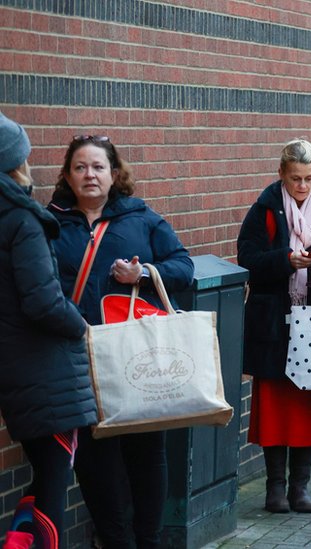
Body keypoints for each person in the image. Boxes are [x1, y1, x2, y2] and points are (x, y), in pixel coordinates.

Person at [48, 135, 194, 549]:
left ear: (114, 174)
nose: (89, 174)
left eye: (97, 167)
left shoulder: (141, 219)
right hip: (79, 358)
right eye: (80, 167)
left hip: (136, 358)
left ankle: (148, 540)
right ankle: (114, 541)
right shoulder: (51, 223)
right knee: (95, 459)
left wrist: (144, 273)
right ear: (67, 175)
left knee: (146, 454)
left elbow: (182, 266)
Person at [0, 114, 96, 549]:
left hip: (16, 370)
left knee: (44, 476)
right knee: (54, 485)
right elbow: (43, 302)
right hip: (45, 373)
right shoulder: (22, 221)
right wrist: (82, 326)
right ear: (15, 163)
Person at [237, 139, 311, 514]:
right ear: (282, 173)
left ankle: (300, 488)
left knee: (308, 401)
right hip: (272, 321)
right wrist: (286, 260)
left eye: (309, 178)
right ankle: (275, 488)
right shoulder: (265, 209)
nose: (303, 186)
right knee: (274, 406)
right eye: (296, 178)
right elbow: (247, 260)